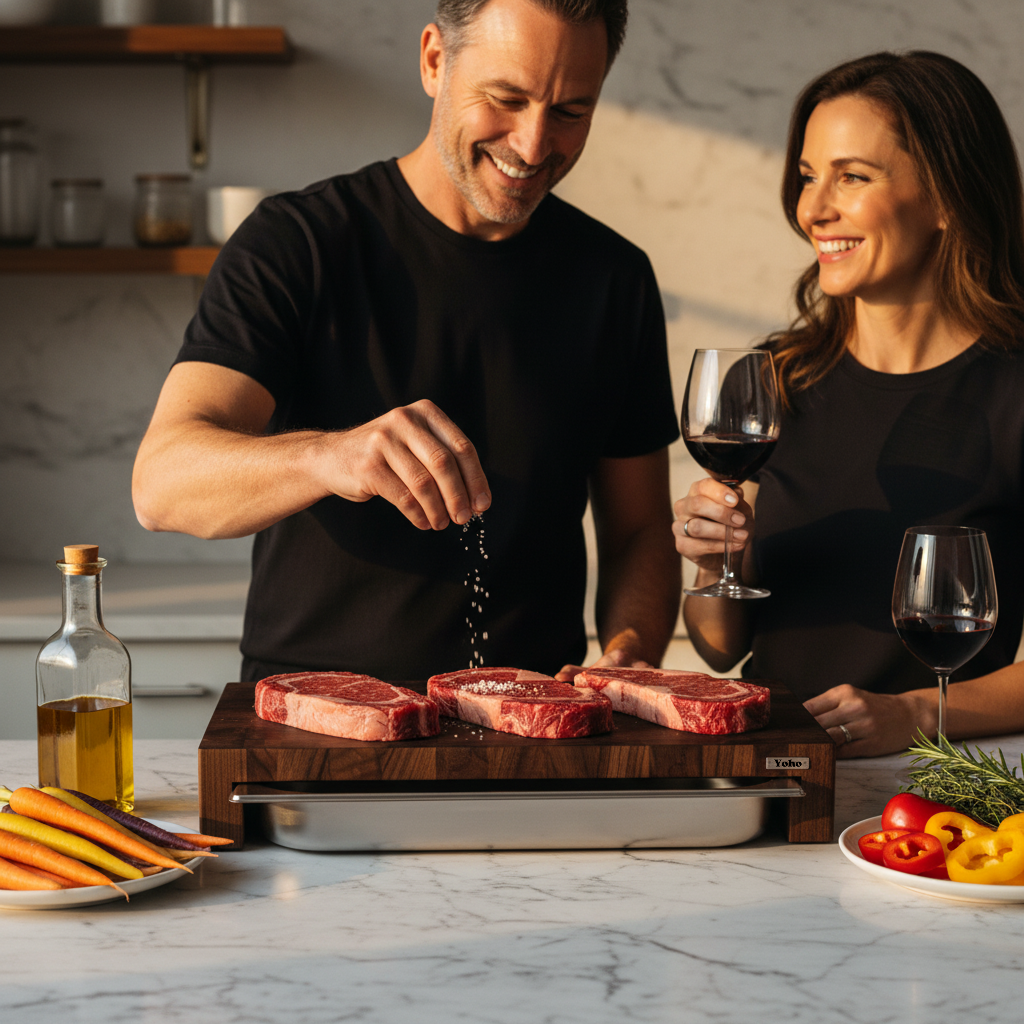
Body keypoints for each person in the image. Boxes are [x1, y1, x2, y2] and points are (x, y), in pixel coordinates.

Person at [132, 0, 680, 684]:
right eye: (506, 98)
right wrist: (333, 457)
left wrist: (629, 653)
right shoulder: (299, 244)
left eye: (570, 111)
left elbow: (638, 533)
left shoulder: (613, 278)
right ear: (433, 60)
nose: (535, 145)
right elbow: (162, 484)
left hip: (530, 728)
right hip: (316, 730)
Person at [673, 51, 1024, 758]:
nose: (814, 208)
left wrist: (915, 714)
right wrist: (713, 564)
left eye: (852, 177)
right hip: (768, 771)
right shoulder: (777, 382)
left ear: (948, 198)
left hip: (931, 792)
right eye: (808, 176)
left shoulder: (1012, 394)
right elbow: (718, 651)